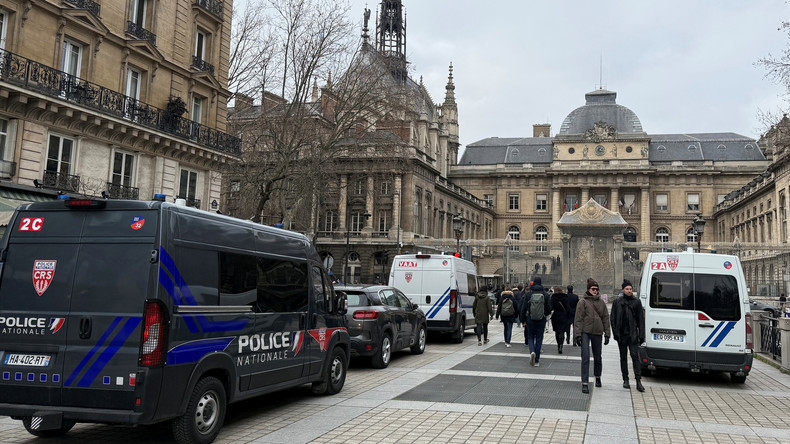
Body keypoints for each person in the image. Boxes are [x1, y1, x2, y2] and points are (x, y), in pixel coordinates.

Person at [574, 278, 610, 394]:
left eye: (597, 289)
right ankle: (584, 382)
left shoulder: (601, 303)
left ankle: (598, 376)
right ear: (588, 289)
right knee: (585, 357)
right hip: (585, 332)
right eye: (593, 289)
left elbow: (605, 318)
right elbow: (578, 319)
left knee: (598, 357)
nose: (595, 291)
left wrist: (607, 334)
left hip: (597, 332)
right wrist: (577, 335)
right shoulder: (582, 302)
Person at [611, 279, 645, 392]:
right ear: (623, 290)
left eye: (630, 289)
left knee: (635, 357)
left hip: (633, 334)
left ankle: (638, 381)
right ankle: (625, 379)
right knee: (623, 358)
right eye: (627, 289)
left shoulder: (636, 302)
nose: (629, 291)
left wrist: (641, 335)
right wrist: (615, 333)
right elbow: (613, 318)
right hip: (621, 335)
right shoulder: (617, 302)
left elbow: (641, 320)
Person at [520, 277, 553, 366]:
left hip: (530, 319)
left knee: (530, 337)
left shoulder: (529, 294)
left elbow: (523, 308)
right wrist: (545, 314)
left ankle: (532, 351)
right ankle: (537, 360)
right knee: (539, 338)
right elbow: (549, 308)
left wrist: (523, 320)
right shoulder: (545, 294)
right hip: (541, 320)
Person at [550, 286, 571, 354]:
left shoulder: (553, 298)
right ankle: (561, 345)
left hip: (556, 316)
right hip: (563, 316)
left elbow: (551, 307)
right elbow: (568, 308)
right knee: (562, 331)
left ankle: (558, 344)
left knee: (557, 332)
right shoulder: (565, 298)